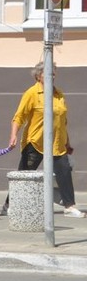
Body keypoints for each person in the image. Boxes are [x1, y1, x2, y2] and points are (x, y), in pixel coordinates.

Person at [8, 61, 83, 217]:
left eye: (53, 72)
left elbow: (63, 121)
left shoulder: (59, 94)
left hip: (57, 143)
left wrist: (67, 142)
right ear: (38, 75)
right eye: (48, 72)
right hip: (36, 142)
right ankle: (10, 205)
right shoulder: (31, 93)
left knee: (64, 173)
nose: (52, 75)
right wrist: (13, 135)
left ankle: (69, 206)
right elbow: (19, 116)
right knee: (24, 175)